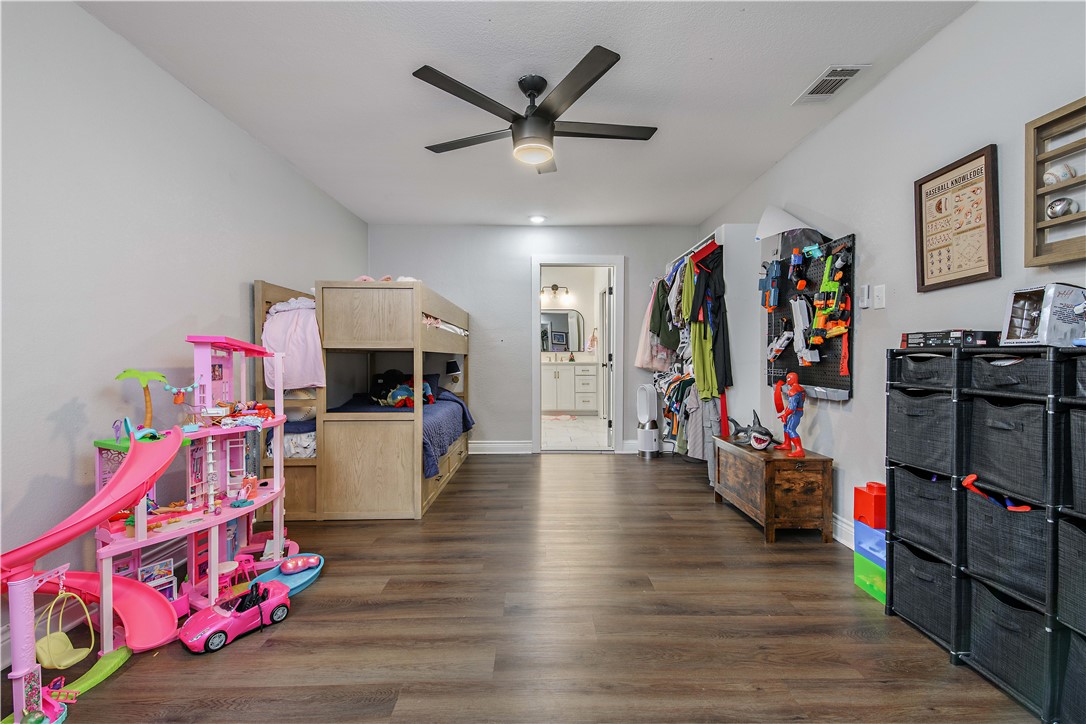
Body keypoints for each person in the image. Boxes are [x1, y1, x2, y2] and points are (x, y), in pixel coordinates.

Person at [774, 372, 806, 458]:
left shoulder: (793, 391)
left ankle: (799, 450)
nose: (786, 380)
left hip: (795, 413)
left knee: (791, 429)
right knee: (786, 426)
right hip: (796, 412)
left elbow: (792, 407)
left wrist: (785, 415)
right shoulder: (800, 389)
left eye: (787, 378)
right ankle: (787, 444)